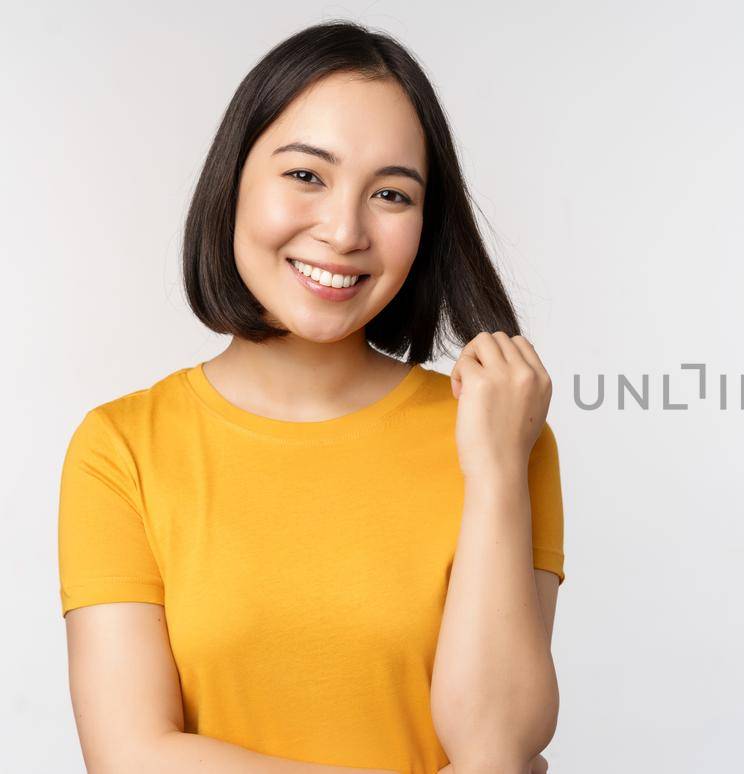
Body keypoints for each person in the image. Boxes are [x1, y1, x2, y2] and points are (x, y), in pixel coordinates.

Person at [57, 21, 563, 774]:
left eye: (391, 194)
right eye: (306, 176)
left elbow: (497, 746)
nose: (344, 229)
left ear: (425, 227)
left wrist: (492, 474)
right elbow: (131, 757)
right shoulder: (122, 448)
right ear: (234, 182)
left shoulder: (499, 434)